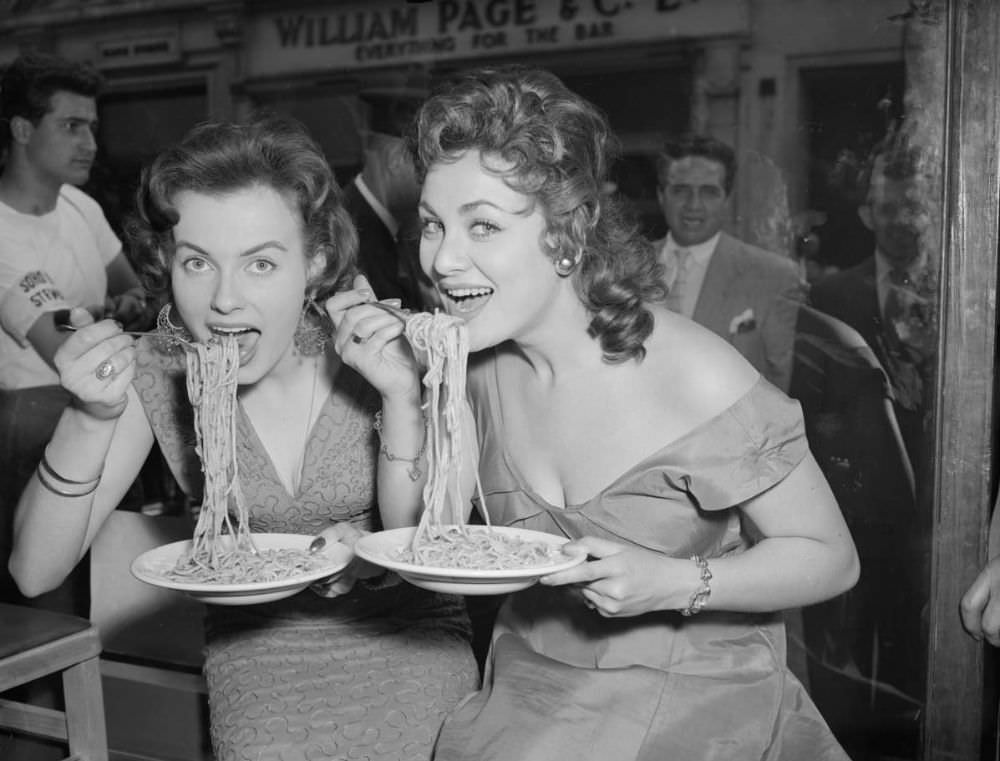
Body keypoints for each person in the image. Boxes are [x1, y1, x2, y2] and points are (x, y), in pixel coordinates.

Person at [333, 65, 859, 760]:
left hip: (703, 712)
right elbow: (421, 541)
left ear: (567, 235)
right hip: (528, 702)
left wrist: (675, 582)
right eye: (432, 224)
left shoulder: (694, 372)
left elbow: (832, 558)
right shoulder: (472, 365)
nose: (442, 259)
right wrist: (405, 395)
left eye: (482, 225)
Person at [9, 114, 479, 761]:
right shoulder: (159, 366)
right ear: (167, 261)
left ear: (313, 262)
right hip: (261, 679)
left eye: (260, 262)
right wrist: (88, 417)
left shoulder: (376, 348)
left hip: (414, 656)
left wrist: (403, 398)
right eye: (198, 262)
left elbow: (437, 553)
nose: (224, 299)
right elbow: (33, 572)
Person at [0, 51, 148, 616]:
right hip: (33, 421)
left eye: (92, 127)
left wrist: (111, 308)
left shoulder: (80, 205)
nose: (89, 141)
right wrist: (111, 312)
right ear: (21, 129)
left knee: (112, 595)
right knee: (50, 609)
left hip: (110, 406)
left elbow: (133, 291)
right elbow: (61, 340)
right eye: (70, 126)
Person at [652, 134, 805, 393]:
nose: (693, 205)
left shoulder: (774, 276)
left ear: (727, 199)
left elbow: (781, 385)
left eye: (709, 192)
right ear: (661, 195)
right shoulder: (619, 268)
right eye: (680, 190)